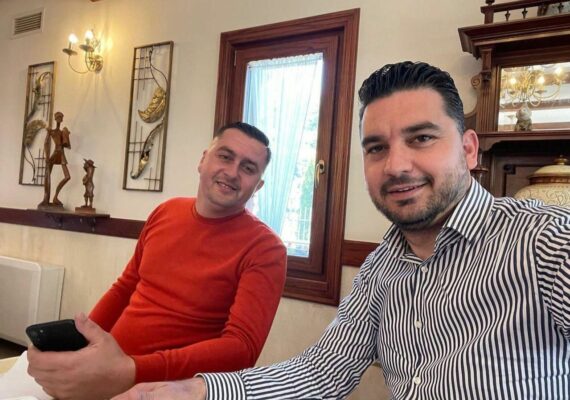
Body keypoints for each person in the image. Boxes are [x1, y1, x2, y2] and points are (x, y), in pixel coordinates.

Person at [114, 61, 570, 400]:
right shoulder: (380, 269)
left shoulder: (544, 241)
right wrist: (194, 391)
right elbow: (322, 371)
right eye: (376, 148)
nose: (396, 165)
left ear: (469, 149)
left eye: (422, 138)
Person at [27, 122, 287, 399]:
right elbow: (125, 288)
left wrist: (131, 370)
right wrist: (81, 344)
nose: (233, 172)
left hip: (169, 391)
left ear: (258, 186)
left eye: (248, 168)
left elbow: (241, 349)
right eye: (225, 156)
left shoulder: (266, 248)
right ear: (203, 160)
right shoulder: (165, 211)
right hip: (109, 372)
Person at [39, 111, 71, 207]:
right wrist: (47, 156)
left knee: (67, 177)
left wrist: (66, 134)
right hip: (55, 153)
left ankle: (55, 197)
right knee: (47, 175)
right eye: (58, 117)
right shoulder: (51, 131)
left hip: (61, 154)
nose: (60, 119)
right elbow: (46, 143)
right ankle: (46, 199)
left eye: (61, 118)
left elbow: (67, 145)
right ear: (55, 119)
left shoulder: (62, 132)